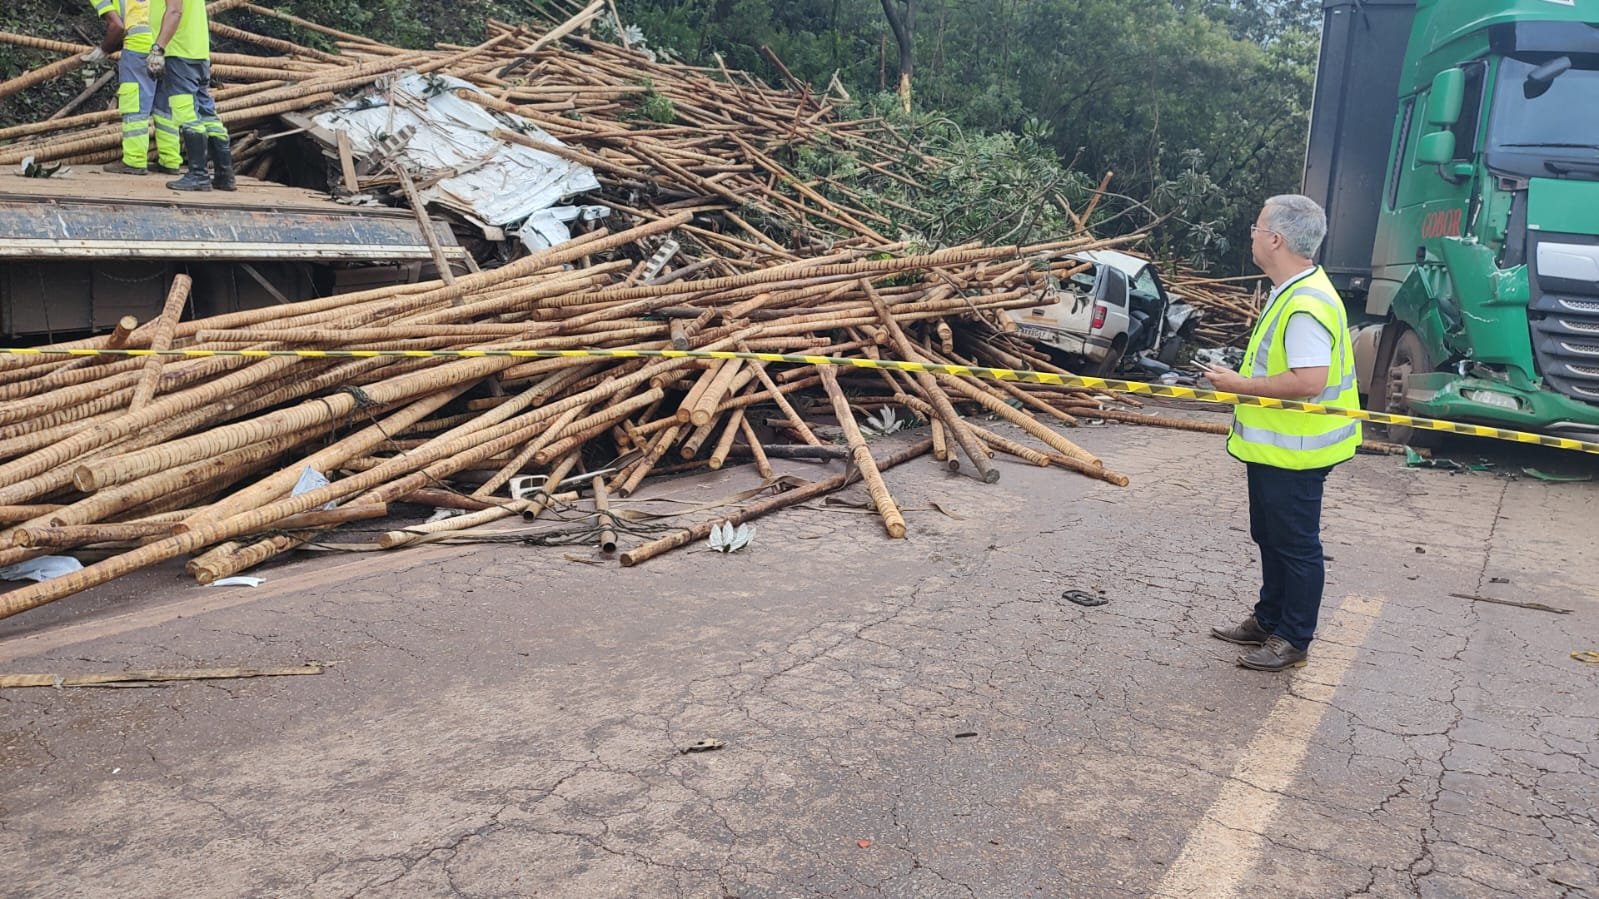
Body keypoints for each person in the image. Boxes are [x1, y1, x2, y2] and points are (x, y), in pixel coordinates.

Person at [1201, 194, 1361, 672]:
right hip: (1277, 446)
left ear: (1275, 239)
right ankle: (1269, 618)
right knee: (1270, 535)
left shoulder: (1306, 302)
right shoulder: (1292, 288)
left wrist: (1238, 386)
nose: (1251, 234)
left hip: (1298, 450)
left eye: (1256, 226)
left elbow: (1309, 382)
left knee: (1295, 543)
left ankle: (1293, 638)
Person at [149, 0, 234, 191]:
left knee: (185, 112)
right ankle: (224, 175)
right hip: (198, 53)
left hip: (180, 54)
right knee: (207, 114)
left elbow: (175, 12)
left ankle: (198, 174)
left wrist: (158, 48)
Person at [86, 0, 174, 175]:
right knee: (165, 107)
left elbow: (117, 27)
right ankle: (170, 160)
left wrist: (103, 50)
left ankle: (134, 161)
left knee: (135, 107)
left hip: (138, 49)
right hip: (166, 47)